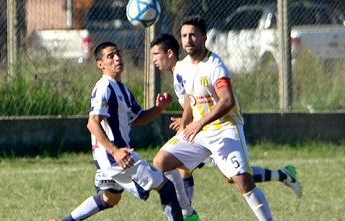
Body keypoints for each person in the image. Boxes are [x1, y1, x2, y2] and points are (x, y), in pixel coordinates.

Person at [149, 33, 302, 202]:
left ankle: (188, 214)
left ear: (169, 53)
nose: (154, 60)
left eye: (156, 54)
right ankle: (282, 175)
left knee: (185, 169)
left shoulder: (184, 70)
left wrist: (187, 122)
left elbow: (199, 100)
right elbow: (192, 102)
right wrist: (185, 118)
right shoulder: (180, 73)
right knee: (231, 176)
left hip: (216, 127)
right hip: (204, 128)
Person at [152, 15, 274, 220]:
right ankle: (188, 213)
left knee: (242, 182)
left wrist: (199, 122)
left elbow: (227, 101)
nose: (188, 40)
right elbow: (190, 98)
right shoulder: (183, 67)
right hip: (199, 132)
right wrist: (185, 123)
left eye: (193, 35)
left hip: (225, 128)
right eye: (184, 35)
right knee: (161, 161)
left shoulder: (214, 65)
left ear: (204, 38)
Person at [50, 42, 184, 221]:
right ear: (100, 64)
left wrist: (158, 108)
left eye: (118, 54)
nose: (117, 58)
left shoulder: (122, 89)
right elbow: (92, 123)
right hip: (116, 157)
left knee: (110, 198)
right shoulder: (104, 87)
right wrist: (115, 151)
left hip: (113, 155)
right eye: (110, 56)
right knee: (166, 186)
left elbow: (137, 118)